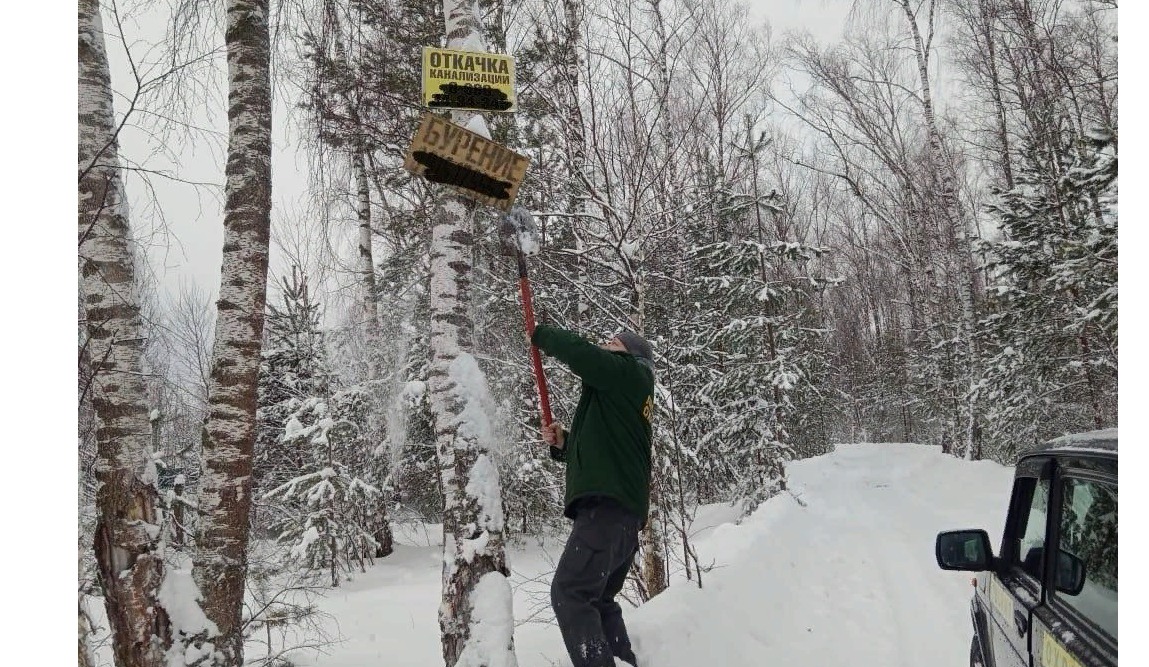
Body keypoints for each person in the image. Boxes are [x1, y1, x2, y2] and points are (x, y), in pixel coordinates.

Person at [528, 324, 656, 667]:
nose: (605, 345)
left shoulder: (631, 374)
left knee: (570, 594)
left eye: (613, 344)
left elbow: (585, 356)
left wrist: (543, 335)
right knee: (597, 601)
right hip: (621, 516)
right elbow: (602, 450)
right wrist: (565, 443)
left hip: (607, 510)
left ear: (633, 356)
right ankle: (624, 660)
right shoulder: (622, 395)